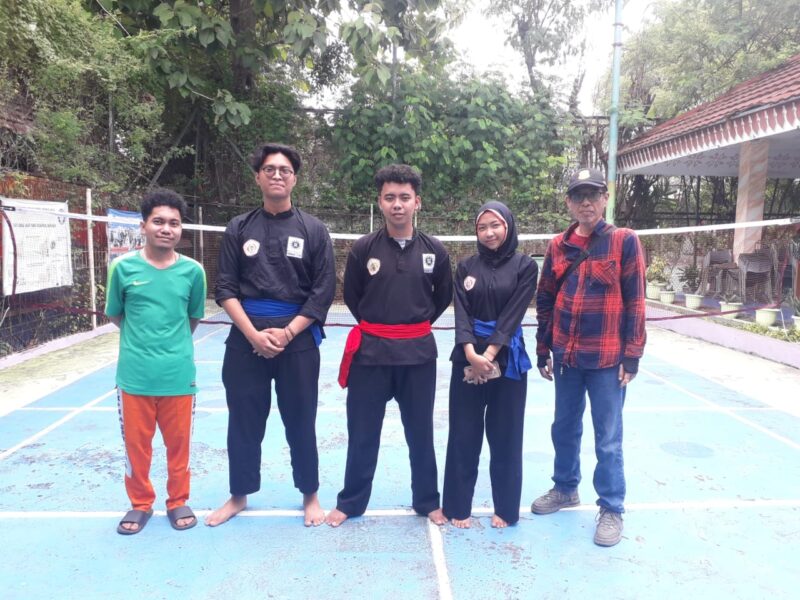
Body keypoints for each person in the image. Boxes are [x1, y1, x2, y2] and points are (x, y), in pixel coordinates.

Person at [206, 142, 336, 527]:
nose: (277, 175)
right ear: (258, 178)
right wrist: (253, 335)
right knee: (243, 422)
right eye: (269, 169)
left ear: (294, 179)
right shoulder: (239, 228)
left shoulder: (314, 230)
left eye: (284, 170)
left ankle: (310, 494)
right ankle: (239, 495)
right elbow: (225, 288)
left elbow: (322, 291)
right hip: (246, 340)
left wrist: (289, 332)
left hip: (298, 341)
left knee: (301, 421)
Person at [326, 164, 453, 527]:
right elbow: (353, 297)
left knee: (420, 433)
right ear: (380, 202)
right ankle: (351, 502)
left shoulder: (435, 251)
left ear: (417, 202)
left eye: (405, 197)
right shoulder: (363, 248)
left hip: (418, 356)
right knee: (362, 433)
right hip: (370, 354)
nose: (398, 204)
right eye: (390, 197)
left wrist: (412, 326)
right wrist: (381, 328)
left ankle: (427, 500)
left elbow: (442, 297)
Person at [530, 167, 647, 547]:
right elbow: (545, 298)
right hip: (566, 356)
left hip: (607, 360)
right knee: (564, 427)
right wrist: (544, 348)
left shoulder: (624, 241)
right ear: (569, 202)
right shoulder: (557, 246)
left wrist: (633, 355)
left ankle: (611, 507)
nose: (586, 203)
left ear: (605, 198)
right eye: (579, 196)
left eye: (593, 195)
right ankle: (565, 488)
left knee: (608, 438)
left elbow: (636, 301)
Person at [105, 188, 207, 535]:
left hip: (178, 376)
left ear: (181, 229)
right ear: (143, 226)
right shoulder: (122, 268)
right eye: (159, 221)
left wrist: (170, 347)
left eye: (174, 223)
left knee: (179, 447)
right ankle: (140, 503)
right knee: (136, 448)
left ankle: (178, 501)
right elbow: (116, 315)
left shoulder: (193, 272)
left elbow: (192, 318)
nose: (166, 229)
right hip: (134, 377)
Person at [442, 201, 538, 529]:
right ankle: (458, 506)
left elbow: (513, 313)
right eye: (482, 227)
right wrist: (471, 353)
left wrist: (491, 353)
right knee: (463, 434)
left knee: (506, 436)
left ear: (507, 227)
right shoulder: (466, 267)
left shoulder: (525, 266)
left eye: (495, 225)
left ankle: (506, 509)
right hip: (467, 357)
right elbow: (461, 313)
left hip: (507, 360)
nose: (489, 233)